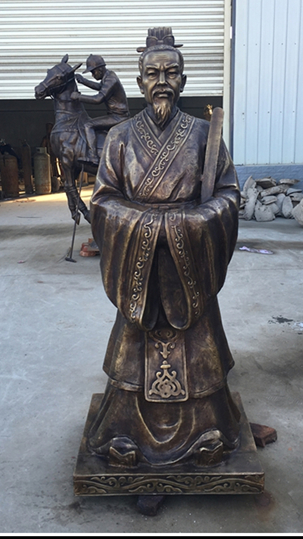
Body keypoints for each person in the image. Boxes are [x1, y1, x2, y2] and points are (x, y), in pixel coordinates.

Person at [87, 28, 241, 468]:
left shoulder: (204, 135)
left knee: (199, 350)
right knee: (133, 353)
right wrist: (147, 225)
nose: (162, 82)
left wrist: (194, 223)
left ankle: (208, 429)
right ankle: (123, 430)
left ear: (183, 81)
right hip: (139, 264)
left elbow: (229, 195)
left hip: (189, 259)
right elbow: (103, 200)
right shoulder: (119, 137)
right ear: (139, 82)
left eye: (171, 73)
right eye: (152, 74)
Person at [70, 54, 129, 161]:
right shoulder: (108, 76)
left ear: (100, 70)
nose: (93, 75)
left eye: (93, 72)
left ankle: (93, 156)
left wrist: (78, 97)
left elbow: (98, 99)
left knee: (88, 125)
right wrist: (83, 81)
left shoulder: (111, 79)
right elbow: (100, 87)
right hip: (114, 115)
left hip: (119, 117)